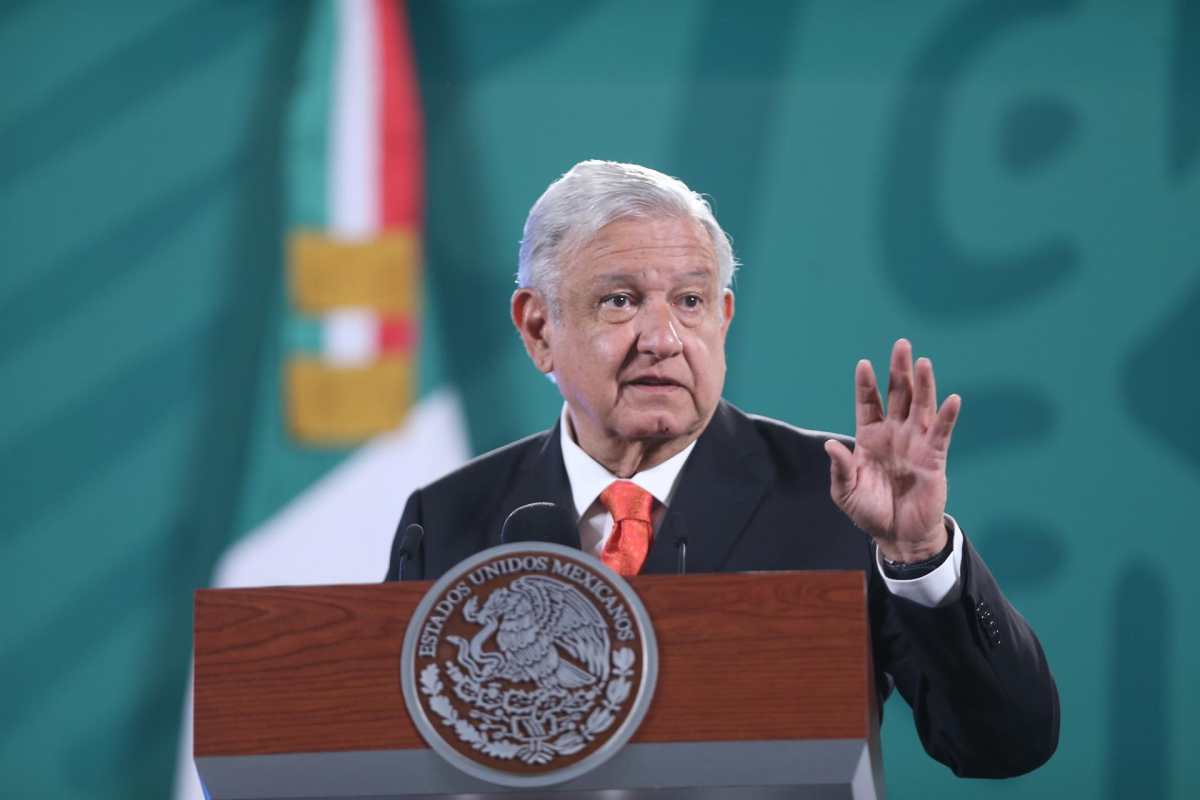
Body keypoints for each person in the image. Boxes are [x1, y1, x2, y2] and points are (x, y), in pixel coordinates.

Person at [385, 160, 1058, 777]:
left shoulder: (839, 499)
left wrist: (918, 553)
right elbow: (386, 758)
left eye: (690, 301)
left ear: (723, 318)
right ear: (538, 329)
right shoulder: (444, 521)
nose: (663, 339)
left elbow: (1006, 744)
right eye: (620, 300)